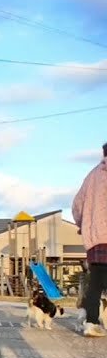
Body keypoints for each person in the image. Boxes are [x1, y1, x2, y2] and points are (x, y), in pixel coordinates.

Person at [72, 143, 107, 337]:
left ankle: (91, 323)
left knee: (95, 284)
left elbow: (77, 204)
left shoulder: (92, 176)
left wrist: (82, 224)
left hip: (96, 239)